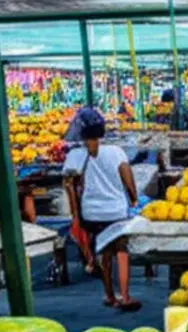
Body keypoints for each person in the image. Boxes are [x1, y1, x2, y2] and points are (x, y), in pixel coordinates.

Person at [62, 108, 140, 311]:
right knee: (121, 250)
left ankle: (109, 296)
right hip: (116, 211)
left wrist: (75, 215)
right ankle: (125, 295)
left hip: (91, 213)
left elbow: (69, 185)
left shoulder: (75, 155)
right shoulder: (116, 152)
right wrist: (133, 199)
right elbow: (128, 178)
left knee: (105, 252)